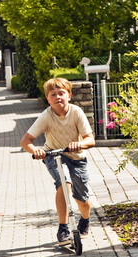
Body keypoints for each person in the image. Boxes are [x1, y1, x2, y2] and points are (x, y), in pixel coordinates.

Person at [20, 78, 96, 245]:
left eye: (61, 93)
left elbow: (90, 140)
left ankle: (85, 219)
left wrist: (80, 144)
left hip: (76, 157)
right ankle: (63, 228)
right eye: (53, 95)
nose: (57, 97)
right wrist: (36, 151)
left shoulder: (76, 112)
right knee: (64, 183)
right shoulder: (46, 116)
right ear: (48, 99)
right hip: (54, 155)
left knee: (82, 199)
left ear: (69, 95)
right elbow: (26, 141)